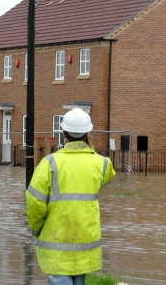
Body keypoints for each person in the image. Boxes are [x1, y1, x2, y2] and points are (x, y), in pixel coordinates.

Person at [25, 108, 116, 285]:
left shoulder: (49, 163)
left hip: (55, 240)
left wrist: (37, 229)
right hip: (85, 241)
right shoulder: (102, 163)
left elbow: (34, 202)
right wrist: (90, 148)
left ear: (63, 133)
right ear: (89, 134)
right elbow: (104, 172)